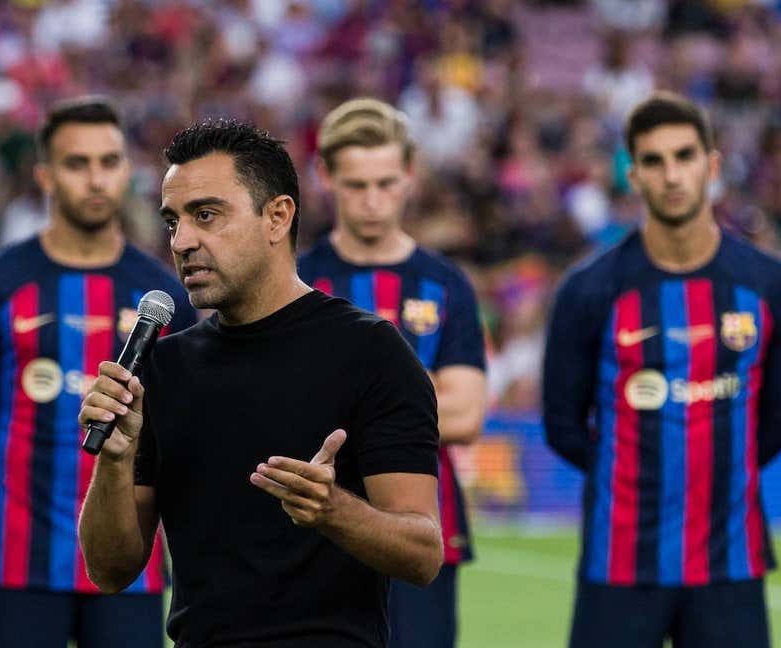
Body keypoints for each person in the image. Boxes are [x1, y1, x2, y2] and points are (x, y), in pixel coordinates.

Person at [78, 118, 444, 647]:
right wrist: (112, 461)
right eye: (173, 221)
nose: (182, 241)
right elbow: (110, 571)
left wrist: (332, 510)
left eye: (206, 214)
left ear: (277, 216)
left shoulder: (371, 352)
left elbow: (423, 553)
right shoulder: (162, 368)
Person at [543, 92, 781, 648]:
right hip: (619, 562)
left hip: (729, 564)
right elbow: (562, 424)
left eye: (685, 156)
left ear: (711, 166)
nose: (672, 175)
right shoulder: (588, 290)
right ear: (633, 177)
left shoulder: (769, 283)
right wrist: (629, 473)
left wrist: (717, 469)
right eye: (654, 162)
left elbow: (779, 418)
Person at [0, 97, 194, 648]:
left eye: (109, 161)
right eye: (78, 163)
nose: (96, 179)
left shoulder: (168, 294)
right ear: (45, 175)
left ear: (127, 170)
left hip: (133, 565)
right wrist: (4, 505)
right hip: (18, 563)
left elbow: (189, 432)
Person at [298, 98, 487, 648]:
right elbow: (272, 403)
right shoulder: (292, 280)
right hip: (311, 530)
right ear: (327, 177)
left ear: (409, 176)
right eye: (357, 185)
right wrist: (411, 400)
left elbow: (466, 413)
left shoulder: (446, 284)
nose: (373, 201)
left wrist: (336, 400)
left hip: (423, 530)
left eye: (386, 182)